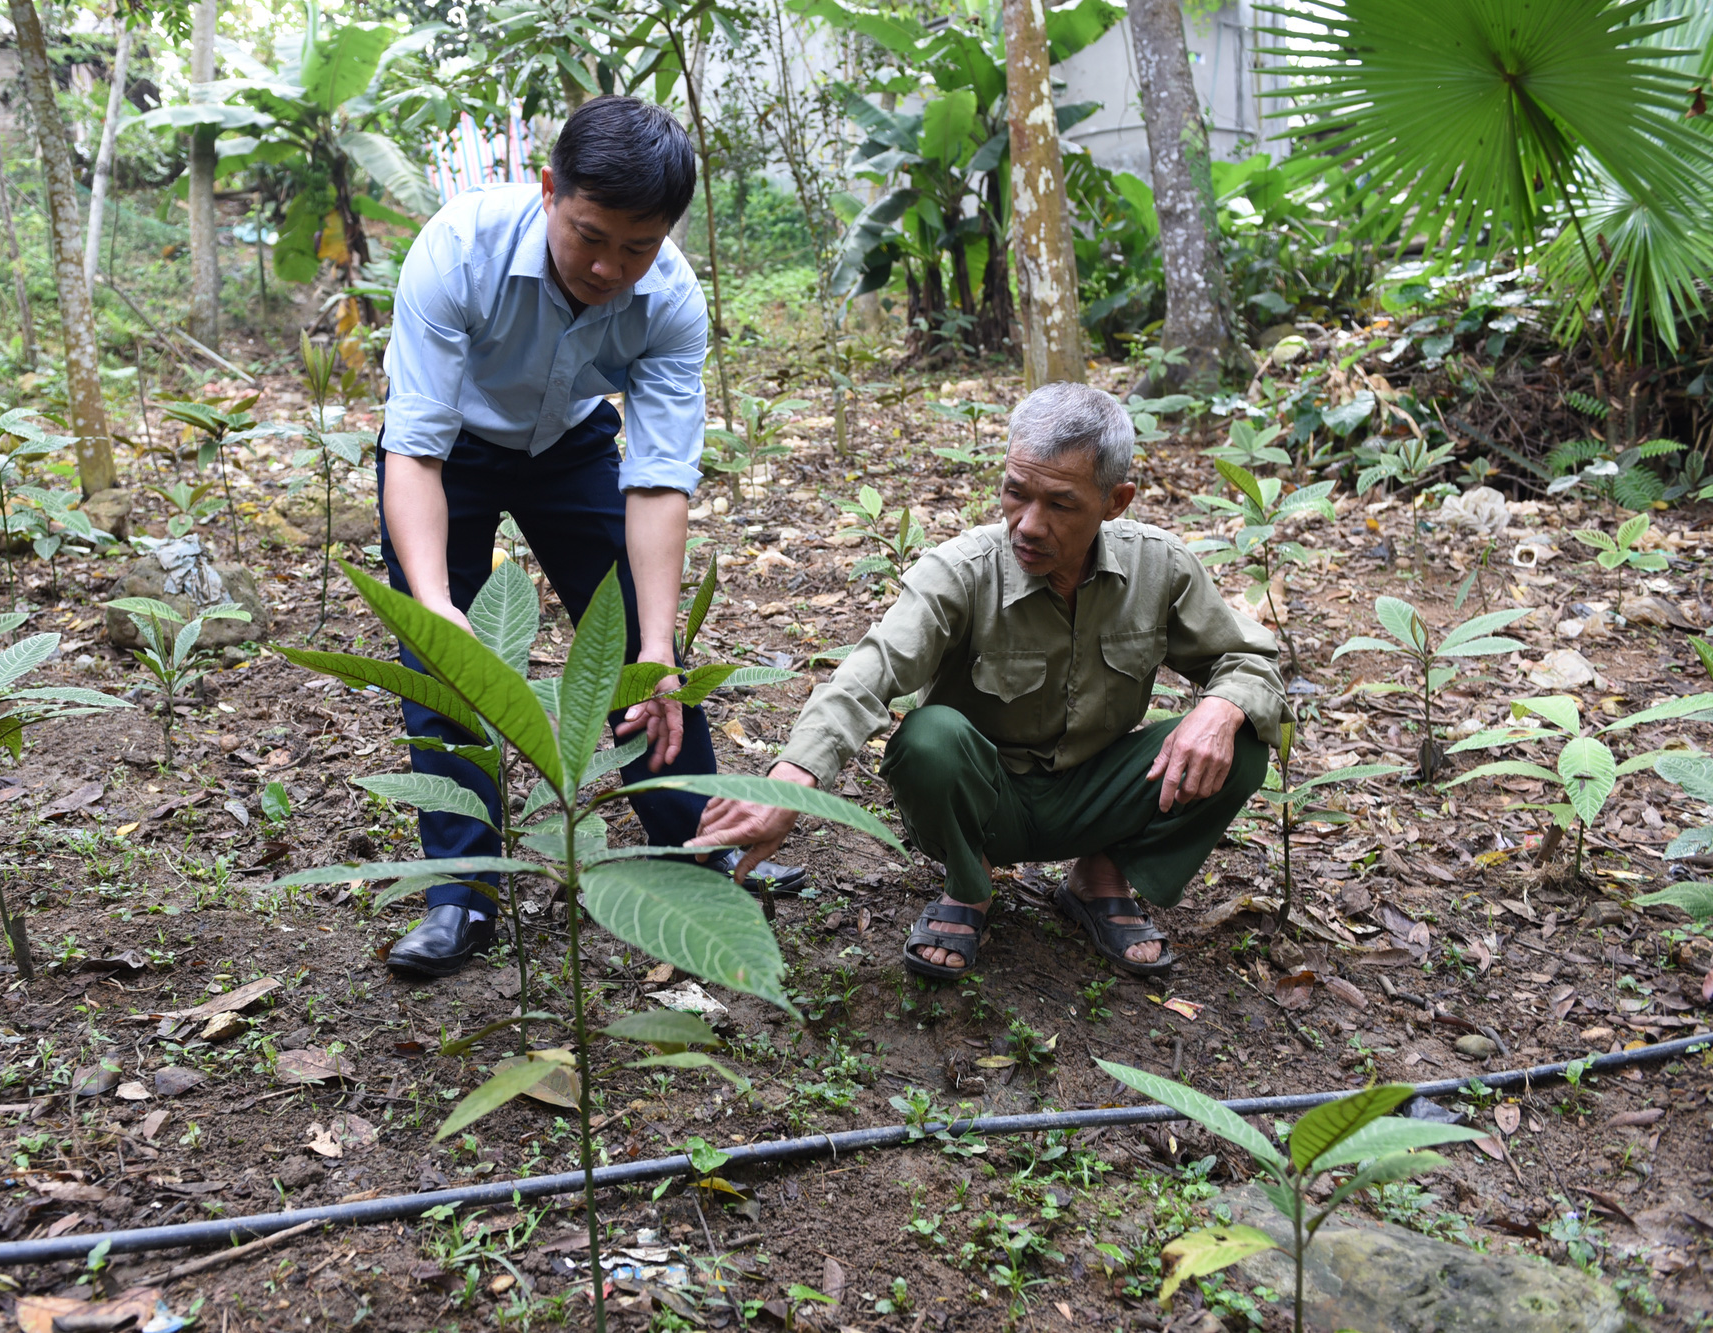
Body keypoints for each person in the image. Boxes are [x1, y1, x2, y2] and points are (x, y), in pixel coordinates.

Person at [374, 95, 805, 978]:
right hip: (452, 448)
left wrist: (656, 646)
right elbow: (411, 449)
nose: (610, 268)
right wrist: (432, 608)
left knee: (646, 657)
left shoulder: (673, 301)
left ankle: (699, 844)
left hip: (571, 442)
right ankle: (462, 892)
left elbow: (656, 478)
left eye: (637, 248)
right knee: (441, 663)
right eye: (590, 236)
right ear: (547, 192)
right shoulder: (458, 251)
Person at [688, 383, 1286, 978]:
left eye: (1060, 504)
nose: (1028, 524)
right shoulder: (962, 571)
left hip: (1096, 792)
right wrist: (790, 782)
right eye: (1015, 494)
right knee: (929, 737)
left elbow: (1252, 662)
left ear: (1116, 500)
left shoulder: (1160, 566)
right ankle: (967, 883)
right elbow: (867, 675)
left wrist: (1223, 708)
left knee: (1241, 741)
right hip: (985, 797)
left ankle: (1099, 874)